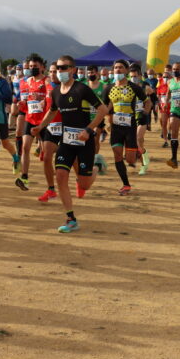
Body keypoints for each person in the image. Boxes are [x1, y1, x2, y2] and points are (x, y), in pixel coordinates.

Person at [30, 55, 108, 233]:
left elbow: (103, 110)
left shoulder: (82, 89)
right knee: (61, 176)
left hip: (84, 142)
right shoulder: (56, 92)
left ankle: (96, 165)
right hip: (66, 141)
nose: (61, 71)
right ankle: (71, 218)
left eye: (64, 68)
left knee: (84, 184)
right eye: (58, 68)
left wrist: (88, 130)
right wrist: (40, 127)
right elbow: (51, 111)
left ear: (73, 70)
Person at [102, 60, 148, 194]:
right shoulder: (108, 89)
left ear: (127, 70)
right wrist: (101, 122)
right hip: (116, 127)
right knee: (117, 155)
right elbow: (103, 108)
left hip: (130, 127)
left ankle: (137, 153)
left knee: (130, 159)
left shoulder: (134, 87)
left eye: (121, 68)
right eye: (116, 68)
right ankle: (126, 184)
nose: (118, 70)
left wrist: (145, 113)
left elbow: (147, 101)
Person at [15, 55, 49, 191]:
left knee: (48, 153)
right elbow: (28, 100)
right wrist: (22, 104)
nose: (32, 69)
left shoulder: (47, 81)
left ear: (42, 67)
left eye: (35, 66)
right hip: (30, 118)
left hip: (44, 120)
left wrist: (44, 101)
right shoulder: (28, 81)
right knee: (25, 148)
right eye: (30, 67)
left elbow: (51, 99)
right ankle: (24, 177)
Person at [35, 63, 63, 202]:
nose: (52, 74)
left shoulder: (69, 86)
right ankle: (51, 189)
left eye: (55, 71)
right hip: (51, 126)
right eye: (50, 71)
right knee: (47, 158)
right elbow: (46, 103)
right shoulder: (47, 85)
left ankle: (79, 180)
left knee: (73, 160)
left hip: (66, 127)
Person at [130, 64, 154, 175]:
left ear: (140, 75)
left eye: (135, 76)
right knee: (134, 142)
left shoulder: (145, 86)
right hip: (130, 117)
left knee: (138, 138)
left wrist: (147, 110)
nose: (133, 78)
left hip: (142, 116)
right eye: (131, 76)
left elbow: (154, 98)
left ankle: (144, 165)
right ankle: (143, 154)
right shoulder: (128, 86)